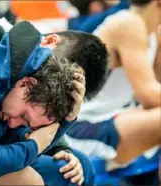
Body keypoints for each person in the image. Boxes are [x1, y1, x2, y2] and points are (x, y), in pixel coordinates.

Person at [0, 18, 108, 185]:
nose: (61, 74)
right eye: (58, 65)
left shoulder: (14, 85)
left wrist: (65, 122)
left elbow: (17, 134)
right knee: (29, 180)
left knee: (74, 169)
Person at [64, 0, 161, 169]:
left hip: (114, 116)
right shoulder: (128, 23)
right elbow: (149, 95)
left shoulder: (155, 30)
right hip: (80, 126)